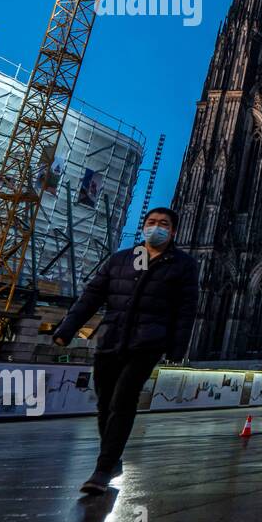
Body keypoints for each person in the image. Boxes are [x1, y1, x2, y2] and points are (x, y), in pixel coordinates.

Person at [52, 207, 198, 496]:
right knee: (104, 402)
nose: (156, 228)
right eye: (152, 223)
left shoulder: (182, 264)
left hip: (148, 342)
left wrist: (177, 348)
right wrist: (66, 329)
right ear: (143, 227)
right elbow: (92, 295)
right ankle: (112, 458)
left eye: (164, 224)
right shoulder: (122, 260)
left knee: (123, 400)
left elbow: (186, 309)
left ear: (174, 231)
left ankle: (103, 468)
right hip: (112, 338)